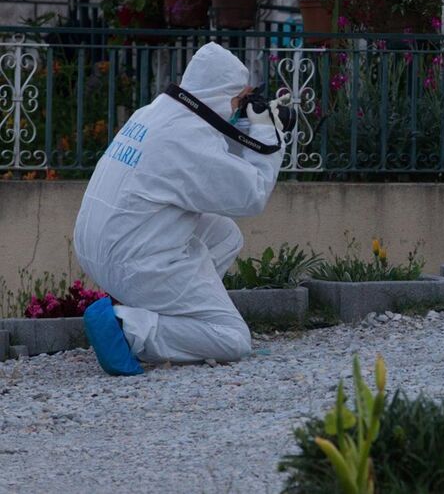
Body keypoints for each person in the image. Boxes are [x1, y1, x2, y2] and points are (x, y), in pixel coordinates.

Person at [74, 42, 285, 375]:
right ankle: (130, 329)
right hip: (133, 264)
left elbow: (214, 158)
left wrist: (245, 127)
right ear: (219, 94)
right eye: (238, 100)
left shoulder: (155, 112)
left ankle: (170, 314)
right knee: (233, 338)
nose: (237, 108)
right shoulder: (186, 139)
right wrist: (266, 131)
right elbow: (251, 194)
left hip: (100, 247)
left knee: (224, 235)